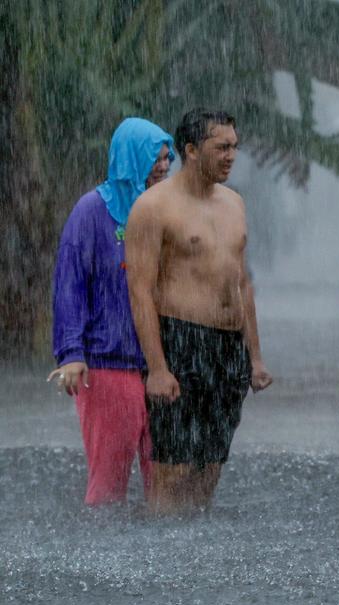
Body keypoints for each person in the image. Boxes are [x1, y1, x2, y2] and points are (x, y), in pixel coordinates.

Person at [125, 108, 272, 515]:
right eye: (221, 147)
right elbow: (140, 291)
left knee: (211, 461)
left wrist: (255, 358)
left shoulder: (234, 203)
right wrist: (157, 367)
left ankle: (194, 558)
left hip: (227, 348)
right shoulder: (153, 207)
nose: (231, 155)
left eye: (234, 147)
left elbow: (242, 283)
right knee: (174, 464)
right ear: (190, 149)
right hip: (181, 341)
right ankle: (159, 553)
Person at [48, 117, 174, 506]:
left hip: (161, 367)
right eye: (155, 157)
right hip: (107, 365)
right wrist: (71, 353)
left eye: (168, 158)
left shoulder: (165, 212)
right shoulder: (91, 212)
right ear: (128, 159)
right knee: (108, 486)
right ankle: (99, 560)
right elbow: (70, 284)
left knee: (168, 483)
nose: (164, 167)